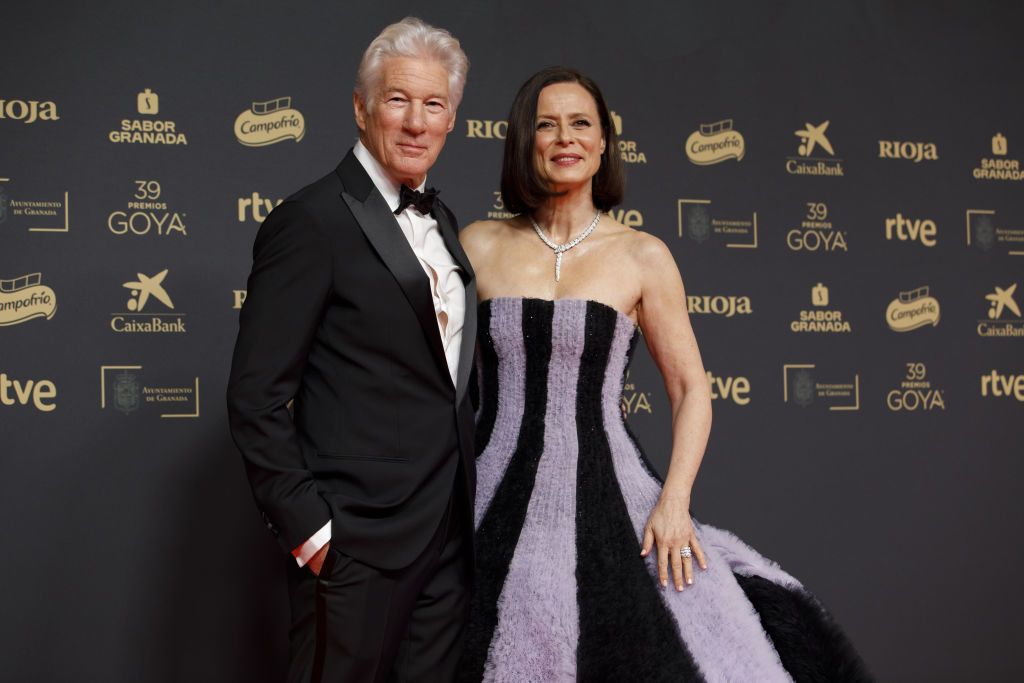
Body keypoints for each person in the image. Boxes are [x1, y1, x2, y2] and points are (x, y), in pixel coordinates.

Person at [456, 66, 872, 682]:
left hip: (612, 493)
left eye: (581, 124)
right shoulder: (476, 244)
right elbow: (438, 382)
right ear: (524, 140)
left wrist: (675, 502)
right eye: (547, 124)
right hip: (484, 496)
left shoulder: (641, 255)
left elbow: (690, 388)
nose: (564, 138)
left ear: (603, 144)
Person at [226, 17, 477, 683]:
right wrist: (312, 530)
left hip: (448, 538)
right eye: (398, 100)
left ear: (452, 118)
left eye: (434, 104)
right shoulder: (311, 221)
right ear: (362, 108)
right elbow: (255, 393)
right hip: (356, 543)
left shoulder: (445, 223)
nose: (417, 122)